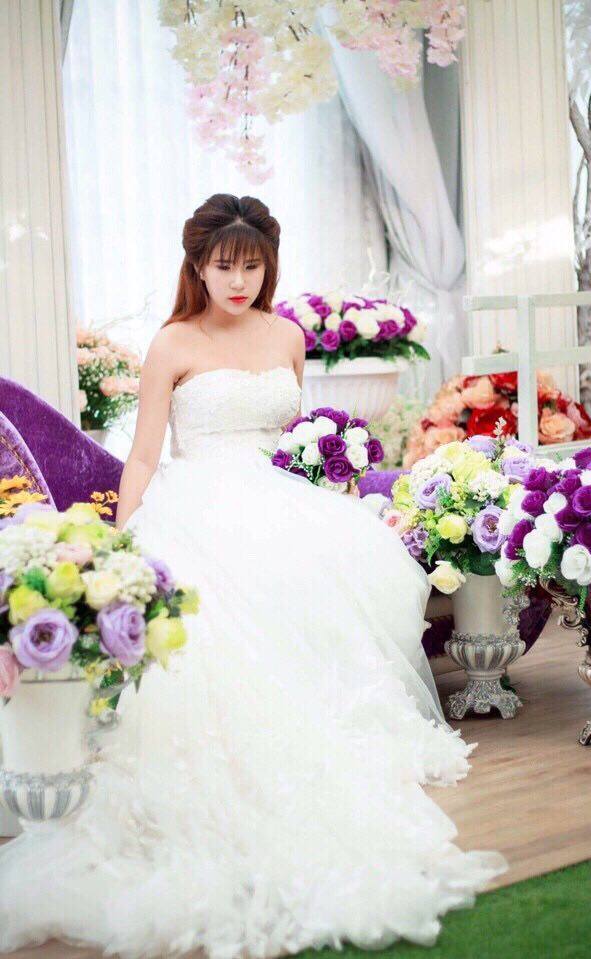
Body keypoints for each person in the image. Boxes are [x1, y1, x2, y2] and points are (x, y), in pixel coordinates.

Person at [0, 194, 506, 958]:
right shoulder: (173, 341)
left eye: (251, 266)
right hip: (193, 503)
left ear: (268, 267)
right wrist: (121, 541)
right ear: (198, 268)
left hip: (276, 499)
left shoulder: (288, 335)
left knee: (341, 572)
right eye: (224, 266)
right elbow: (145, 454)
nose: (238, 280)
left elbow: (286, 436)